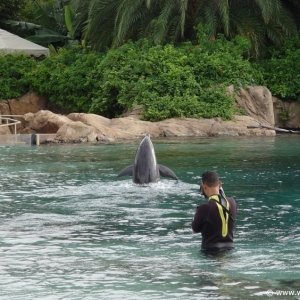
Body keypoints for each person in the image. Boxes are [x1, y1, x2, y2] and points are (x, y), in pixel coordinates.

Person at [192, 170, 237, 252]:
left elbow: (195, 229)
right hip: (230, 249)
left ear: (203, 185)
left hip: (210, 251)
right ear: (219, 184)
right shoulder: (232, 202)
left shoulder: (204, 208)